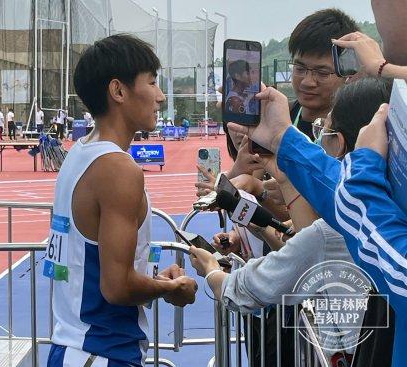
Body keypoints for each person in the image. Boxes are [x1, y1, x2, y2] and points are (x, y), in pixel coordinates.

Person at [191, 77, 393, 366]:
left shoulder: (337, 228)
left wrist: (211, 270)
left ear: (339, 144)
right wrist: (284, 173)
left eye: (323, 130)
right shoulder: (386, 210)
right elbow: (304, 235)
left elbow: (244, 290)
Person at [45, 34, 197, 367]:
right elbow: (116, 287)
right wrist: (170, 289)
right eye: (153, 83)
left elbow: (100, 263)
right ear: (118, 91)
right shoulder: (118, 169)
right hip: (101, 352)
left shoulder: (79, 154)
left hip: (73, 347)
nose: (159, 96)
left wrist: (155, 279)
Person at [286, 9, 359, 140]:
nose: (307, 82)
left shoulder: (356, 134)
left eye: (322, 73)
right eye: (300, 68)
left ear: (348, 74)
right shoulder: (279, 119)